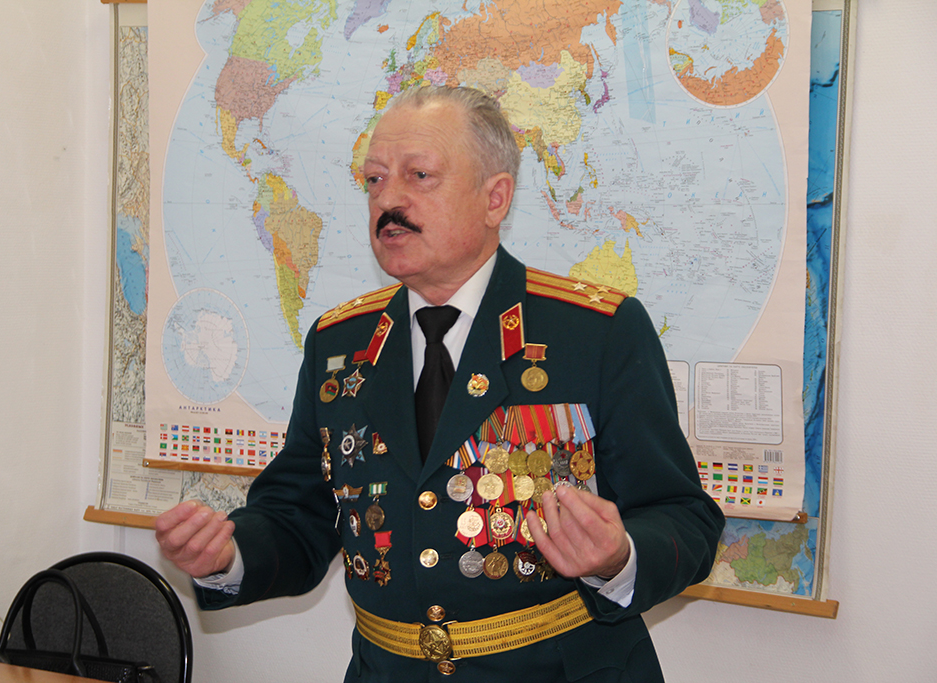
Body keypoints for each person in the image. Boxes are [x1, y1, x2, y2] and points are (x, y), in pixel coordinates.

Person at [155, 86, 725, 682]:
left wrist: (618, 557)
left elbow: (684, 517)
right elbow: (300, 515)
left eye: (419, 175)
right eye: (374, 180)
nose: (388, 200)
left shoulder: (596, 331)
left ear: (494, 198)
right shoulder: (339, 343)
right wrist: (228, 556)